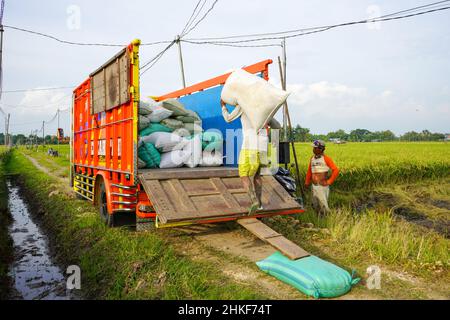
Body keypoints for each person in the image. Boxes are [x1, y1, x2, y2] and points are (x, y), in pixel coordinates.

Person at [220, 99, 269, 215]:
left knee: (244, 175)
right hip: (263, 146)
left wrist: (223, 106)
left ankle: (254, 200)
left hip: (249, 146)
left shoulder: (243, 105)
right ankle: (260, 205)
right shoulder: (264, 109)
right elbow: (277, 125)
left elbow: (228, 118)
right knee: (257, 175)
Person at [304, 140, 339, 215]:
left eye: (315, 148)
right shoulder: (312, 158)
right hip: (314, 186)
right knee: (315, 205)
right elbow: (309, 171)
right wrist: (307, 182)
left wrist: (329, 181)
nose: (313, 149)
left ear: (321, 149)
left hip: (322, 186)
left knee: (323, 206)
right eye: (313, 148)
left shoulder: (326, 158)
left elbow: (336, 170)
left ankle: (328, 220)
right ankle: (319, 220)